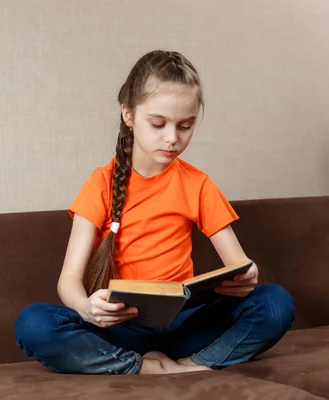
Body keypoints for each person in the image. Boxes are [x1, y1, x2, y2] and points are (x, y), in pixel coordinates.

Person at [15, 50, 295, 375]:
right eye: (159, 124)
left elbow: (240, 265)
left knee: (275, 303)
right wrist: (87, 309)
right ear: (128, 115)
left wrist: (247, 278)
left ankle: (190, 366)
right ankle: (144, 368)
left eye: (186, 126)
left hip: (185, 325)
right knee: (34, 323)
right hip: (121, 328)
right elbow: (68, 281)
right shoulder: (100, 184)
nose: (172, 139)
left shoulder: (197, 184)